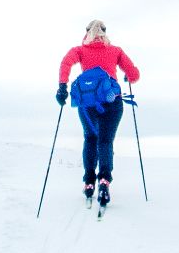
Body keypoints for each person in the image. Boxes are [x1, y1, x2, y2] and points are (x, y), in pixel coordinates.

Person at [56, 19, 140, 208]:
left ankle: (89, 182)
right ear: (104, 33)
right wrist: (128, 75)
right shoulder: (115, 51)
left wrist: (62, 87)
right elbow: (134, 75)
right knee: (105, 141)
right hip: (112, 102)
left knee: (91, 139)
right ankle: (104, 181)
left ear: (87, 33)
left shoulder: (79, 50)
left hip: (88, 105)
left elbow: (65, 63)